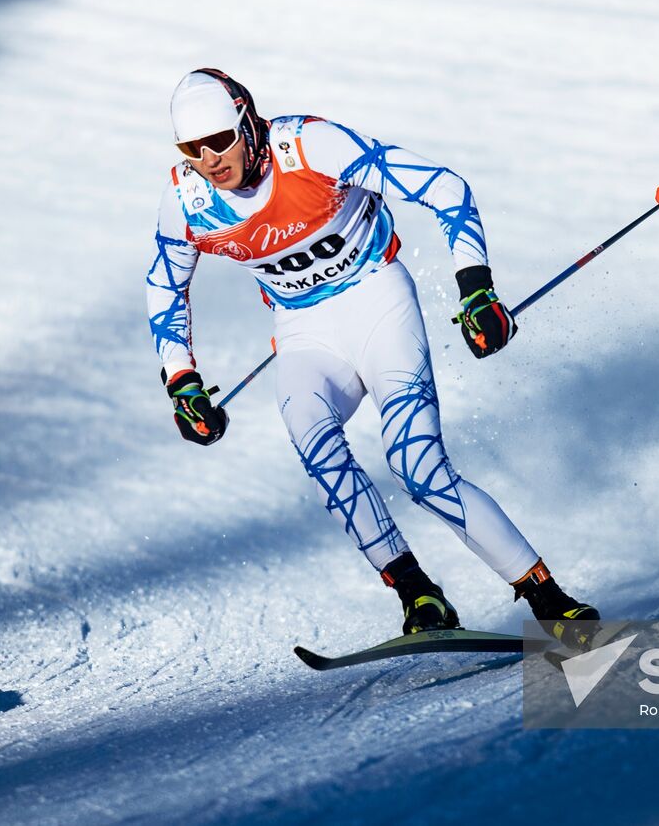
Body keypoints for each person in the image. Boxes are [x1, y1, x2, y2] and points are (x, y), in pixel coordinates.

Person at [146, 69, 599, 648]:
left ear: (247, 122)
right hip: (304, 331)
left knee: (417, 467)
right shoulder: (187, 199)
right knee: (315, 446)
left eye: (220, 140)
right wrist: (182, 382)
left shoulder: (307, 146)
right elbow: (164, 290)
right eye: (192, 148)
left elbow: (445, 188)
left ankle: (550, 601)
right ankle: (419, 596)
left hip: (377, 299)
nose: (208, 158)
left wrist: (477, 289)